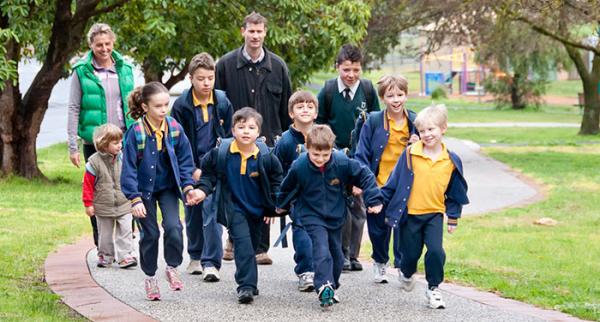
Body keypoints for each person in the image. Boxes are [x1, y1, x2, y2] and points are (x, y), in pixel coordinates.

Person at [277, 125, 383, 308]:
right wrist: (280, 205)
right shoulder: (300, 165)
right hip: (310, 214)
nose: (320, 159)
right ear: (307, 147)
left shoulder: (341, 162)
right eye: (315, 155)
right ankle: (323, 285)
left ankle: (330, 285)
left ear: (332, 149)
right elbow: (287, 186)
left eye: (325, 155)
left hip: (336, 215)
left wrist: (373, 199)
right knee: (321, 248)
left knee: (338, 255)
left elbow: (364, 175)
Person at [215, 11, 292, 264]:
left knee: (263, 191)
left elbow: (285, 108)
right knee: (234, 190)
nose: (255, 36)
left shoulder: (278, 66)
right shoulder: (225, 65)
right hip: (234, 142)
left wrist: (283, 136)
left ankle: (260, 248)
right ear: (243, 32)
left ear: (265, 33)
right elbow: (218, 105)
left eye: (260, 31)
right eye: (251, 31)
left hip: (266, 141)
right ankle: (233, 238)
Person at [120, 82, 203, 301]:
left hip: (167, 188)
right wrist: (134, 199)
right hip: (143, 192)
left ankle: (172, 267)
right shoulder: (136, 132)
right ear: (145, 107)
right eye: (158, 106)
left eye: (167, 104)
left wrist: (187, 186)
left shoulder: (174, 127)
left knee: (175, 227)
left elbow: (185, 160)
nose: (164, 110)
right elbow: (127, 168)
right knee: (151, 234)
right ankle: (150, 277)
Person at [381, 104, 469, 309]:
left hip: (434, 215)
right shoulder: (410, 154)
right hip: (410, 215)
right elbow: (393, 182)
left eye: (431, 129)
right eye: (422, 131)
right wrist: (377, 201)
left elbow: (455, 192)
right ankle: (406, 271)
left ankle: (433, 289)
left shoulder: (451, 160)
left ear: (443, 128)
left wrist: (453, 217)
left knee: (436, 251)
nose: (427, 134)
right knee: (409, 256)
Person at [195, 107, 283, 304]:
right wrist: (201, 190)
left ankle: (248, 279)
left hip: (257, 210)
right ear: (233, 130)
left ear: (258, 133)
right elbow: (208, 174)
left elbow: (277, 179)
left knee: (251, 247)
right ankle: (246, 286)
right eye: (241, 127)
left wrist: (276, 204)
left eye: (251, 127)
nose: (246, 131)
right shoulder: (222, 153)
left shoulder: (266, 156)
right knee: (242, 244)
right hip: (233, 208)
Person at [68, 22, 135, 248]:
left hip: (123, 141)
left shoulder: (125, 68)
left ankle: (126, 243)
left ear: (113, 42)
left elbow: (133, 104)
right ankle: (102, 244)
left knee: (127, 187)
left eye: (107, 44)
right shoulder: (81, 70)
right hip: (94, 143)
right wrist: (72, 146)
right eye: (99, 45)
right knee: (98, 192)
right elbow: (74, 107)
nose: (104, 49)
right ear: (91, 45)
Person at [316, 44, 380, 272]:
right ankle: (340, 253)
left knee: (358, 206)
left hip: (360, 156)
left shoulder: (368, 90)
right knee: (340, 206)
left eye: (355, 70)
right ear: (337, 67)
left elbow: (375, 122)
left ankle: (353, 254)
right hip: (335, 156)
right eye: (346, 70)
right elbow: (319, 123)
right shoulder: (328, 90)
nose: (351, 75)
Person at [171, 52, 233, 281]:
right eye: (201, 79)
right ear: (191, 79)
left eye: (210, 78)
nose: (206, 83)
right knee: (193, 212)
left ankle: (211, 263)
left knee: (211, 211)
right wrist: (192, 169)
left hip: (214, 169)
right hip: (189, 168)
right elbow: (177, 142)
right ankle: (195, 256)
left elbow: (228, 139)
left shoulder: (223, 102)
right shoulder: (181, 106)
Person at [354, 75, 419, 283]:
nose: (396, 100)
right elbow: (362, 154)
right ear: (383, 98)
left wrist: (417, 144)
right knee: (378, 229)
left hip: (405, 186)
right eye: (390, 96)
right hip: (379, 184)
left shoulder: (415, 122)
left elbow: (428, 148)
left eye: (400, 95)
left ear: (406, 95)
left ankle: (401, 266)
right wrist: (365, 183)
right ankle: (380, 261)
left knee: (403, 227)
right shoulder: (373, 121)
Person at [273, 90, 318, 292]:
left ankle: (323, 269)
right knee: (301, 227)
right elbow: (276, 172)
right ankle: (305, 270)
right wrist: (279, 201)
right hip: (296, 198)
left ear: (316, 112)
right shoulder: (285, 141)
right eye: (300, 107)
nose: (305, 110)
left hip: (322, 195)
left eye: (310, 106)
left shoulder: (323, 135)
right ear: (291, 113)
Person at [82, 124, 137, 269]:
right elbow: (87, 185)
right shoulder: (94, 163)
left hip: (124, 203)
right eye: (115, 143)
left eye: (120, 142)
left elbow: (132, 177)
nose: (120, 145)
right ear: (104, 145)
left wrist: (135, 196)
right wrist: (88, 204)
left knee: (125, 230)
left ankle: (125, 256)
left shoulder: (125, 158)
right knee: (105, 234)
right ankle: (106, 256)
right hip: (103, 205)